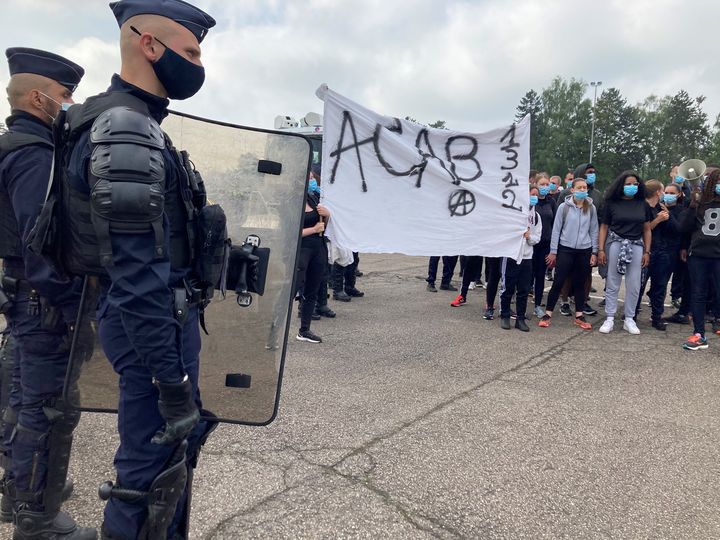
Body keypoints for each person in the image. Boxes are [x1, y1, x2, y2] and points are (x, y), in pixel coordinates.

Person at [58, 1, 228, 537]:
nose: (199, 65)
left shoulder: (132, 123)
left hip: (156, 319)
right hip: (152, 324)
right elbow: (135, 278)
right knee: (148, 474)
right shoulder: (126, 127)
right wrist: (171, 378)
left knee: (167, 464)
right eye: (191, 51)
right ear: (148, 45)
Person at [0, 47, 93, 539]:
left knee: (21, 401)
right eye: (63, 94)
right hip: (44, 303)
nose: (69, 102)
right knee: (49, 410)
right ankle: (38, 518)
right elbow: (40, 247)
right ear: (39, 97)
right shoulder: (35, 154)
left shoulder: (16, 143)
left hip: (25, 297)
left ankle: (20, 490)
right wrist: (71, 303)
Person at [538, 178, 598, 330]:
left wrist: (594, 251)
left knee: (579, 283)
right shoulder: (564, 207)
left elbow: (594, 230)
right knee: (558, 282)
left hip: (584, 250)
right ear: (572, 190)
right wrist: (553, 251)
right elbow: (556, 230)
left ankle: (579, 315)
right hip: (566, 249)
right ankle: (548, 313)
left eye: (585, 188)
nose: (582, 190)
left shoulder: (591, 208)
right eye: (579, 187)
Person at [597, 172, 653, 335]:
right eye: (629, 184)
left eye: (635, 184)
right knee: (613, 281)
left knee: (634, 283)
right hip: (616, 243)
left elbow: (647, 229)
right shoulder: (611, 203)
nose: (632, 187)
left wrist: (647, 251)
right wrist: (601, 249)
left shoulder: (643, 204)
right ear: (621, 185)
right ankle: (610, 317)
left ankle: (629, 318)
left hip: (636, 245)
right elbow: (604, 227)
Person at [678, 170, 720, 350]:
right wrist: (692, 205)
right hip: (700, 254)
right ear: (711, 183)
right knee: (698, 293)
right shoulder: (699, 202)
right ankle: (699, 334)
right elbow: (684, 227)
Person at [635, 180, 679, 330]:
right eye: (663, 191)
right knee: (638, 285)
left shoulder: (661, 207)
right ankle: (632, 314)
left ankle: (656, 317)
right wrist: (658, 219)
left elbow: (677, 230)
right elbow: (644, 230)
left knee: (659, 286)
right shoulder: (642, 207)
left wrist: (669, 215)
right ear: (657, 192)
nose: (665, 194)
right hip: (646, 251)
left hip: (663, 252)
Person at [499, 188, 542, 331]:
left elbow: (537, 237)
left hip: (527, 257)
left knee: (524, 289)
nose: (534, 197)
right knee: (508, 287)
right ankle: (505, 315)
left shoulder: (535, 216)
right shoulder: (512, 212)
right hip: (511, 255)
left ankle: (520, 319)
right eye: (531, 194)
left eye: (536, 195)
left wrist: (529, 236)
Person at [297, 179, 331, 342]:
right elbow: (290, 232)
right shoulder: (292, 203)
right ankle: (275, 330)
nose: (310, 180)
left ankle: (304, 330)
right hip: (301, 250)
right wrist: (313, 229)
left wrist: (327, 216)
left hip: (318, 248)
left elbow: (323, 226)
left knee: (312, 290)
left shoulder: (312, 198)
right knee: (294, 289)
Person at [531, 174, 556, 317]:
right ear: (535, 184)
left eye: (547, 184)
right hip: (530, 245)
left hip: (545, 245)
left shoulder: (551, 202)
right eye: (542, 184)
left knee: (540, 275)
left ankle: (537, 305)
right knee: (527, 275)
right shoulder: (530, 201)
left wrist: (553, 248)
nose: (545, 187)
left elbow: (555, 224)